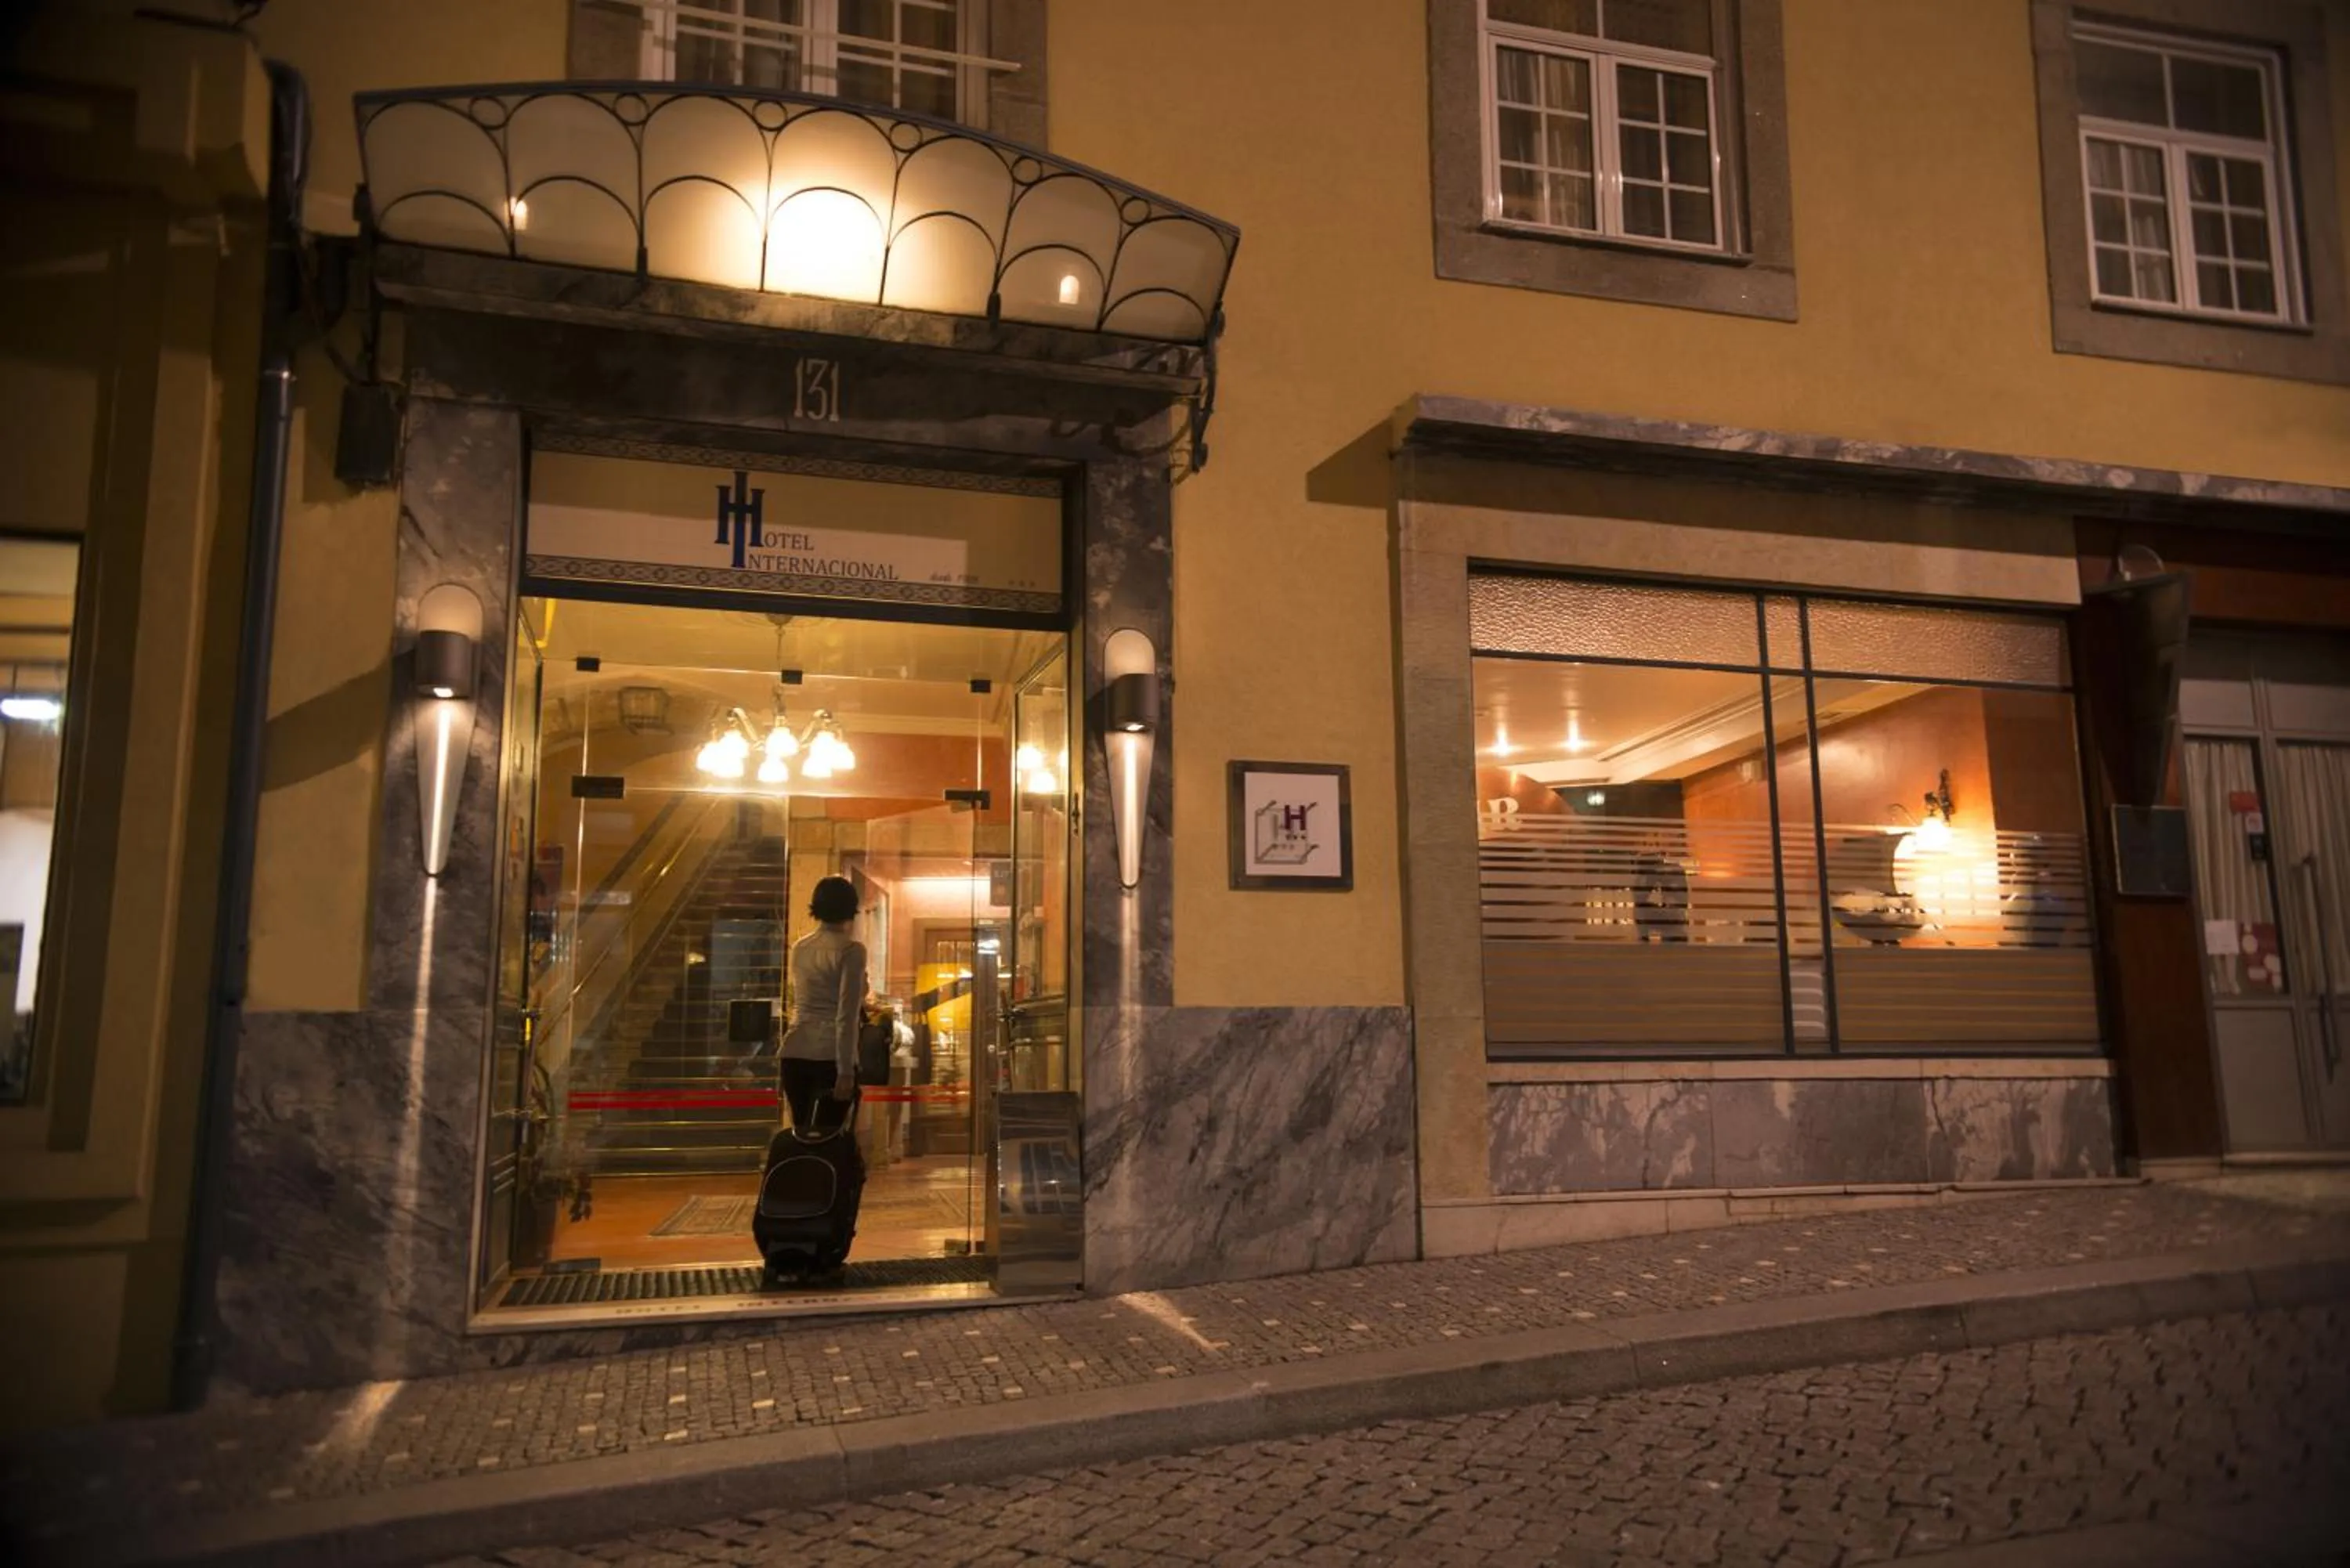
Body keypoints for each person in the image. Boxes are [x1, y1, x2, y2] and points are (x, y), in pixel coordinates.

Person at [779, 875, 867, 1135]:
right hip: (830, 1055)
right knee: (829, 1137)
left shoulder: (800, 947)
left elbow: (802, 1002)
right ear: (851, 908)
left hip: (795, 1049)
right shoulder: (852, 951)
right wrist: (846, 1070)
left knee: (802, 1134)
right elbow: (846, 1015)